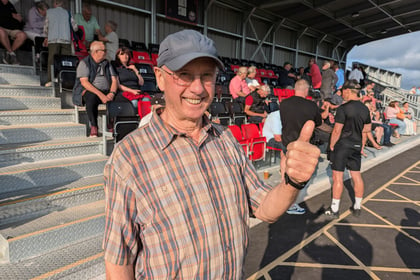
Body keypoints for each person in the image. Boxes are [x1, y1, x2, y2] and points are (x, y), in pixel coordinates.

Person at [103, 29, 321, 279]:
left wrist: (291, 183)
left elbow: (265, 209)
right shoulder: (129, 157)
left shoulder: (226, 140)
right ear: (160, 78)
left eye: (206, 76)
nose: (197, 88)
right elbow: (119, 260)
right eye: (184, 75)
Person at [325, 80, 379, 219]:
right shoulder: (365, 109)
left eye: (343, 91)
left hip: (342, 145)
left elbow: (337, 130)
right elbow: (366, 131)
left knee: (338, 177)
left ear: (348, 91)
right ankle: (357, 207)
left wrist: (331, 146)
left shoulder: (343, 108)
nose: (342, 94)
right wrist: (360, 146)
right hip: (355, 145)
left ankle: (334, 209)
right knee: (356, 176)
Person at [280, 79, 323, 215]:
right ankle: (291, 204)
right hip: (302, 144)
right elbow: (318, 123)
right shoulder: (311, 106)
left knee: (285, 172)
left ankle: (283, 200)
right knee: (296, 176)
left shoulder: (283, 103)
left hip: (286, 142)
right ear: (306, 90)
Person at [73, 41, 118, 137]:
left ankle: (112, 125)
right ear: (96, 52)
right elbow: (84, 82)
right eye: (104, 50)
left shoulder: (107, 63)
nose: (106, 52)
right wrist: (101, 95)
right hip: (90, 90)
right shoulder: (84, 63)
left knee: (120, 97)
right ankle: (94, 126)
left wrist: (112, 93)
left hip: (107, 91)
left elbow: (114, 80)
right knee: (91, 97)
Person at [43, 0, 78, 87]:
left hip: (53, 40)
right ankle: (66, 80)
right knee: (66, 61)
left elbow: (46, 26)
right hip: (66, 39)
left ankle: (51, 80)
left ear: (55, 4)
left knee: (52, 60)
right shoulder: (68, 13)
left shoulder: (49, 12)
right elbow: (75, 27)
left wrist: (47, 35)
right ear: (62, 5)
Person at [113, 47, 149, 114]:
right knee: (134, 103)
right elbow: (118, 85)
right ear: (117, 56)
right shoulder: (116, 68)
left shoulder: (132, 68)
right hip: (125, 92)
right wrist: (132, 91)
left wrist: (135, 70)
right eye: (122, 54)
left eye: (127, 54)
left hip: (137, 92)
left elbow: (141, 83)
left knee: (146, 101)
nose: (125, 56)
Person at [0, 0, 27, 64]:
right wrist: (11, 15)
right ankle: (12, 55)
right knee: (1, 31)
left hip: (12, 28)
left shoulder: (10, 5)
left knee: (23, 35)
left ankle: (9, 54)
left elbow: (18, 18)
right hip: (2, 27)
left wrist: (17, 17)